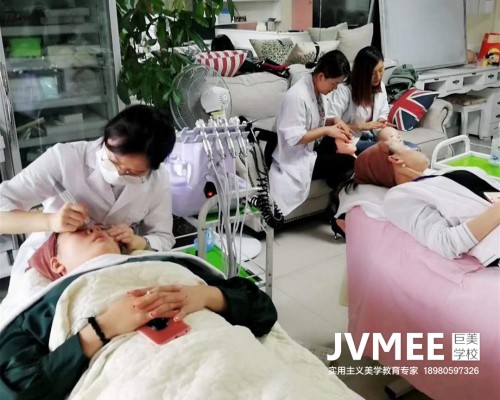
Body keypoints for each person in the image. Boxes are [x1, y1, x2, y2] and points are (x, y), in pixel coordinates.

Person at [0, 227, 277, 399]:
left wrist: (205, 296)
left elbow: (263, 311)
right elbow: (13, 390)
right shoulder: (48, 302)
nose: (94, 228)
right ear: (57, 265)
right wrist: (101, 329)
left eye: (101, 227)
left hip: (224, 357)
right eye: (80, 229)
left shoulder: (169, 264)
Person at [0, 105, 176, 277]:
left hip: (113, 268)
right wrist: (50, 221)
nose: (119, 173)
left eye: (133, 173)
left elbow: (163, 237)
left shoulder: (158, 179)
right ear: (106, 138)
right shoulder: (64, 158)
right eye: (113, 161)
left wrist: (139, 241)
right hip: (51, 270)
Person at [348, 140, 500, 265]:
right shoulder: (399, 197)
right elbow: (446, 243)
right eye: (407, 146)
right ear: (395, 159)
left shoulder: (439, 175)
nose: (417, 148)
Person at [268, 50, 356, 217]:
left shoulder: (318, 91)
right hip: (293, 157)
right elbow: (294, 138)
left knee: (345, 150)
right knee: (349, 162)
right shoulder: (296, 97)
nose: (335, 88)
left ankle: (337, 198)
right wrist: (327, 130)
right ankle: (338, 207)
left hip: (310, 148)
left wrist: (334, 120)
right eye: (334, 83)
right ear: (321, 76)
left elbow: (315, 120)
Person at [327, 46, 416, 153]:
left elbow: (384, 111)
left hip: (373, 135)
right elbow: (331, 123)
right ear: (362, 72)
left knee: (413, 148)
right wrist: (360, 126)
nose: (378, 76)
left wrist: (380, 120)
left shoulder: (380, 86)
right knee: (392, 152)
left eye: (381, 70)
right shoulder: (344, 90)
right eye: (373, 73)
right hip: (351, 139)